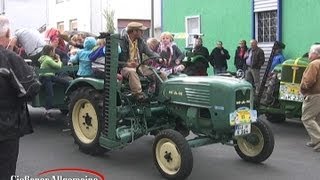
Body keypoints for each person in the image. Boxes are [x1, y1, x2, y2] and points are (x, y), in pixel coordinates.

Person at [0, 15, 34, 179]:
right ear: (6, 33)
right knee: (6, 172)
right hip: (6, 126)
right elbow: (31, 88)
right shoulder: (9, 58)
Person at [118, 22, 160, 101]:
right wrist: (127, 64)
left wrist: (159, 59)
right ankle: (139, 95)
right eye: (141, 31)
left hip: (139, 66)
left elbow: (150, 52)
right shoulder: (120, 42)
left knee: (159, 73)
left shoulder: (140, 41)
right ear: (134, 31)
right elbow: (115, 61)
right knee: (132, 72)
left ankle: (159, 94)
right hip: (125, 67)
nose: (143, 33)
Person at [300, 44, 320, 152]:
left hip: (314, 95)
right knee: (317, 118)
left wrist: (303, 89)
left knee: (307, 118)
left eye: (310, 52)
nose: (308, 54)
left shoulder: (313, 64)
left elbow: (309, 81)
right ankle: (314, 140)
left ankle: (318, 140)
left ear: (315, 54)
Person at [38, 45, 70, 111]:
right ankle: (47, 111)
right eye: (53, 51)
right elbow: (58, 66)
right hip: (46, 77)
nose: (54, 53)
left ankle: (65, 98)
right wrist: (59, 59)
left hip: (49, 76)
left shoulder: (44, 58)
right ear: (50, 51)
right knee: (50, 94)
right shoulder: (48, 59)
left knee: (66, 82)